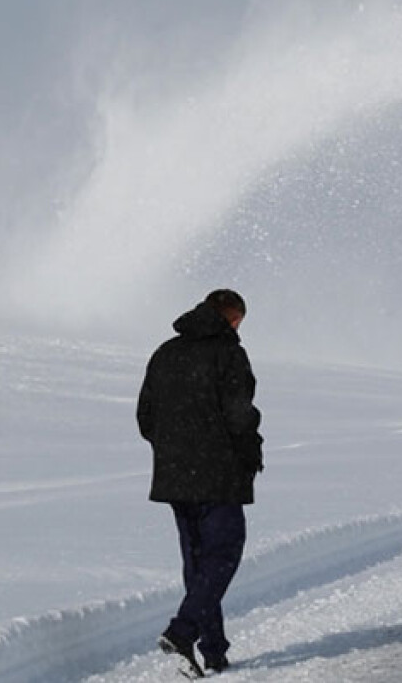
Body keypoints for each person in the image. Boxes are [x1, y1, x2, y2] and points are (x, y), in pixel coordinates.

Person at [137, 289, 263, 677]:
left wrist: (175, 450)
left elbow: (146, 417)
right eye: (240, 321)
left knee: (197, 561)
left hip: (176, 475)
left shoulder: (165, 353)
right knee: (223, 553)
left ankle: (212, 650)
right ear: (232, 318)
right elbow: (240, 416)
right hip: (218, 474)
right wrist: (248, 453)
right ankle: (182, 632)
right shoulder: (228, 353)